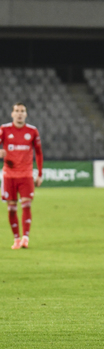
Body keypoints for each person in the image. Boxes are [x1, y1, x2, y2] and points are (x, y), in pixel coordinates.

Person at [0, 103, 43, 249]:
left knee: (26, 204)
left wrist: (40, 173)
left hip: (26, 175)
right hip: (9, 175)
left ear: (26, 114)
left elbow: (38, 152)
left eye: (22, 111)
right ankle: (16, 239)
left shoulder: (32, 131)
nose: (19, 113)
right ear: (12, 114)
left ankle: (25, 238)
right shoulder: (4, 129)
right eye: (16, 111)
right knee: (11, 208)